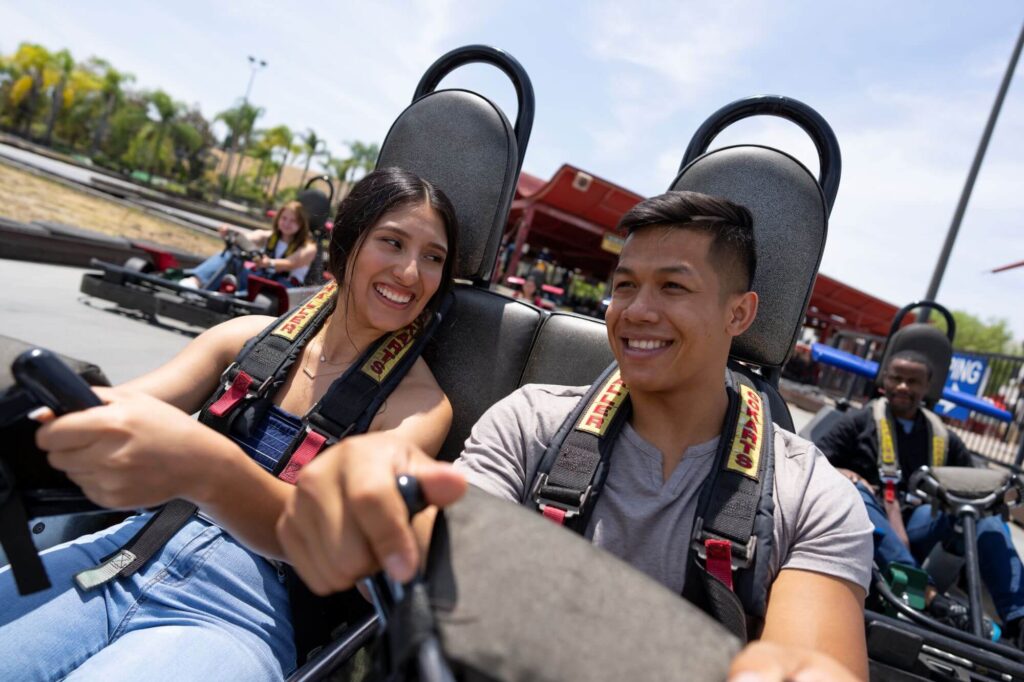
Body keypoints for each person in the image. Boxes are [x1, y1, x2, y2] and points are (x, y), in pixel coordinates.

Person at [277, 191, 875, 681]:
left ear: (739, 315)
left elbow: (815, 665)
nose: (637, 310)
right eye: (624, 286)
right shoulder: (531, 423)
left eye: (673, 287)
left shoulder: (810, 498)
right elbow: (440, 563)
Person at [0, 168, 459, 680]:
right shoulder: (245, 336)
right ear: (347, 243)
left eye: (433, 257)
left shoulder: (420, 407)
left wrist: (206, 467)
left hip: (237, 617)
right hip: (122, 556)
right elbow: (116, 408)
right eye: (392, 243)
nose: (411, 273)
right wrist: (39, 412)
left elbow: (334, 537)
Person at [816, 350, 1024, 641]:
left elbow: (974, 484)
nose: (903, 387)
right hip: (871, 523)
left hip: (921, 523)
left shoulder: (943, 437)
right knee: (854, 493)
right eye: (897, 379)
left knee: (982, 514)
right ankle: (927, 597)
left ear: (926, 387)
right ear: (885, 380)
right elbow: (812, 460)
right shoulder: (858, 422)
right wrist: (845, 474)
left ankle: (1019, 619)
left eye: (913, 382)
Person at [180, 199, 318, 291]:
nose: (287, 223)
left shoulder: (308, 247)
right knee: (232, 256)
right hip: (261, 279)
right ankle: (196, 282)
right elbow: (250, 237)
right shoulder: (271, 236)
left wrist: (268, 263)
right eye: (284, 218)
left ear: (301, 224)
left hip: (282, 288)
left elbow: (290, 263)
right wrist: (232, 234)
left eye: (293, 220)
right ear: (278, 219)